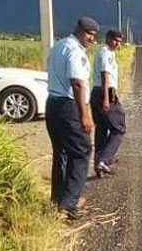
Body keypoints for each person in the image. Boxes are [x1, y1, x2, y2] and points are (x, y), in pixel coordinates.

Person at [45, 17, 98, 220]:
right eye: (88, 35)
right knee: (82, 151)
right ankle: (69, 205)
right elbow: (77, 84)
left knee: (62, 153)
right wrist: (84, 115)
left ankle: (58, 200)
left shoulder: (59, 46)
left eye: (93, 36)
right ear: (79, 31)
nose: (91, 39)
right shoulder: (75, 52)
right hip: (68, 106)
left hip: (53, 104)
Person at [91, 29, 125, 177]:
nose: (118, 43)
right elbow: (105, 75)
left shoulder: (104, 52)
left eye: (120, 41)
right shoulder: (106, 53)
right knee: (119, 128)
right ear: (108, 39)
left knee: (102, 129)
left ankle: (98, 161)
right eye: (115, 40)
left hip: (97, 92)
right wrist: (106, 98)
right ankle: (104, 160)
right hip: (105, 93)